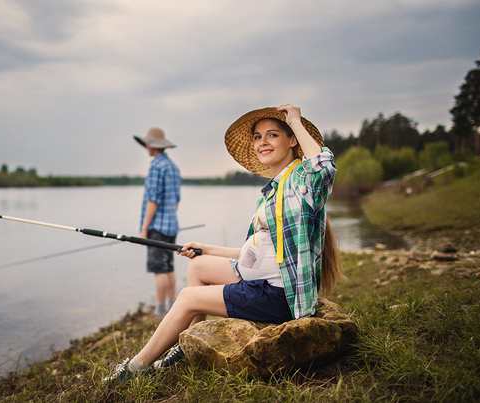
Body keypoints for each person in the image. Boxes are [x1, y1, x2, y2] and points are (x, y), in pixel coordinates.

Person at [105, 103, 343, 383]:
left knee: (187, 298)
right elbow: (257, 252)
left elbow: (323, 167)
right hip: (259, 282)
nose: (262, 142)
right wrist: (206, 248)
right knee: (198, 267)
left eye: (272, 135)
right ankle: (186, 346)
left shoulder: (302, 183)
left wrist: (295, 120)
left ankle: (134, 370)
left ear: (292, 140)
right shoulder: (274, 189)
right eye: (257, 137)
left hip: (278, 297)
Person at [134, 127, 182, 318]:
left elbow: (153, 200)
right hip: (171, 226)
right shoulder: (173, 167)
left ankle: (161, 311)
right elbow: (176, 199)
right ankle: (173, 307)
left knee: (159, 270)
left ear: (151, 146)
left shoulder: (156, 166)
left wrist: (144, 229)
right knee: (169, 267)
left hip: (157, 227)